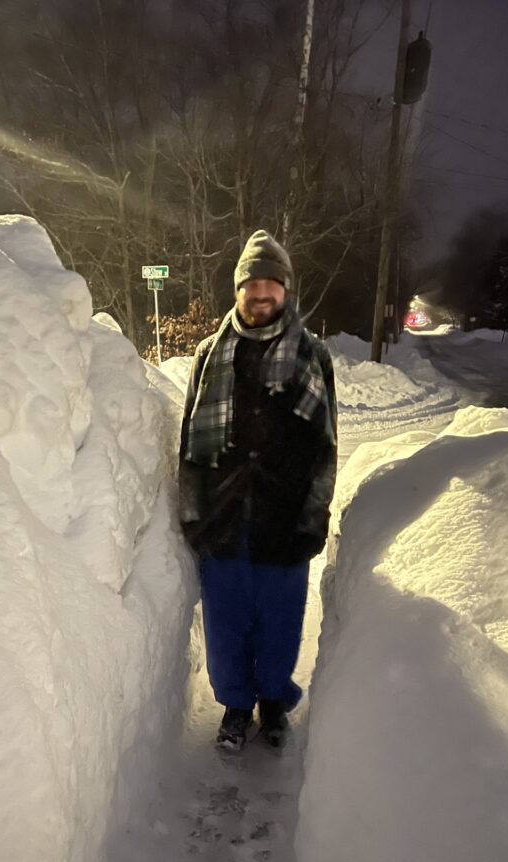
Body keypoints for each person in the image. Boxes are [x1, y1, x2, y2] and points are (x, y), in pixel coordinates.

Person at [179, 230, 337, 750]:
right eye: (251, 283)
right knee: (226, 624)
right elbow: (189, 440)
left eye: (271, 282)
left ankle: (272, 704)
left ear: (286, 289)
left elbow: (326, 446)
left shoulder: (312, 356)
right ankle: (235, 706)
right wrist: (192, 512)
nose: (261, 292)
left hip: (284, 518)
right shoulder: (210, 353)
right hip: (223, 518)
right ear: (237, 290)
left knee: (279, 623)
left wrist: (313, 516)